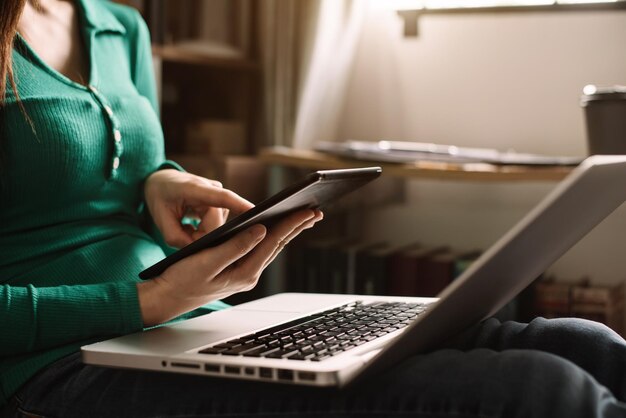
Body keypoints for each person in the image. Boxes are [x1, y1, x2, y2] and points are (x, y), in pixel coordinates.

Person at [1, 1, 626, 417]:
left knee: (583, 343)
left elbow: (129, 166)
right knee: (546, 393)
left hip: (191, 324)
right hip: (55, 360)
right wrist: (147, 302)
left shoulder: (119, 23)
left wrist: (161, 181)